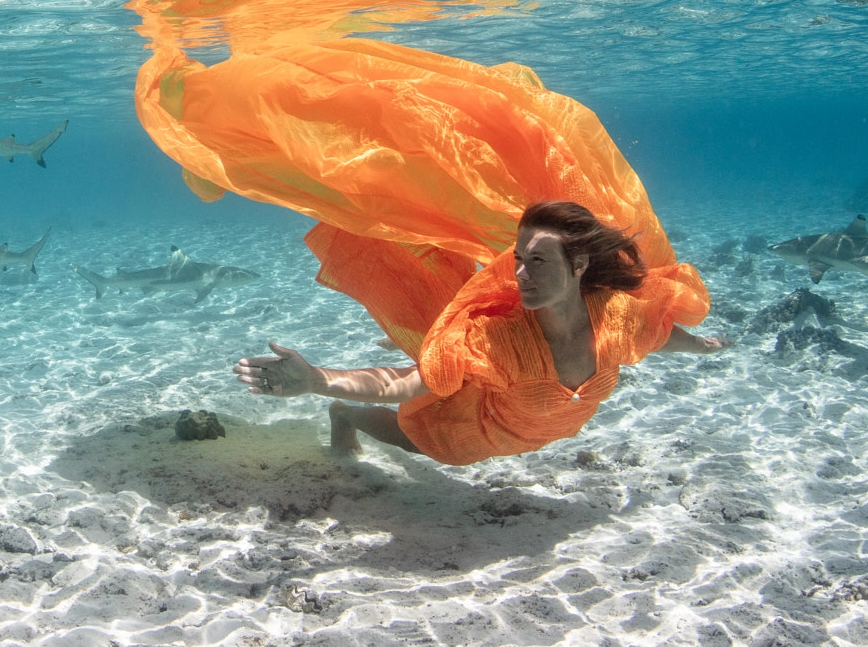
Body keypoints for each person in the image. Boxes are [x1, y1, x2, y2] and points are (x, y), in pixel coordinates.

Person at [235, 199, 725, 465]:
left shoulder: (617, 316)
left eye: (538, 261)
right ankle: (345, 415)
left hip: (550, 429)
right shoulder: (493, 340)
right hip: (477, 432)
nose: (521, 275)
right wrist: (319, 379)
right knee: (414, 438)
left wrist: (701, 345)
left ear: (578, 266)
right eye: (516, 261)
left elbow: (659, 333)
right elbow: (399, 384)